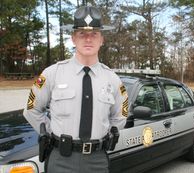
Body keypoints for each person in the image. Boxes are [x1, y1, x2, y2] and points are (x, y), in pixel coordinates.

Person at [23, 5, 128, 173]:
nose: (88, 39)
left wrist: (103, 135)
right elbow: (31, 109)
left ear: (102, 39)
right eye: (82, 34)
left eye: (94, 34)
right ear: (73, 38)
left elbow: (120, 115)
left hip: (97, 160)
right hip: (61, 159)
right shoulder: (52, 74)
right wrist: (54, 134)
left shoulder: (113, 79)